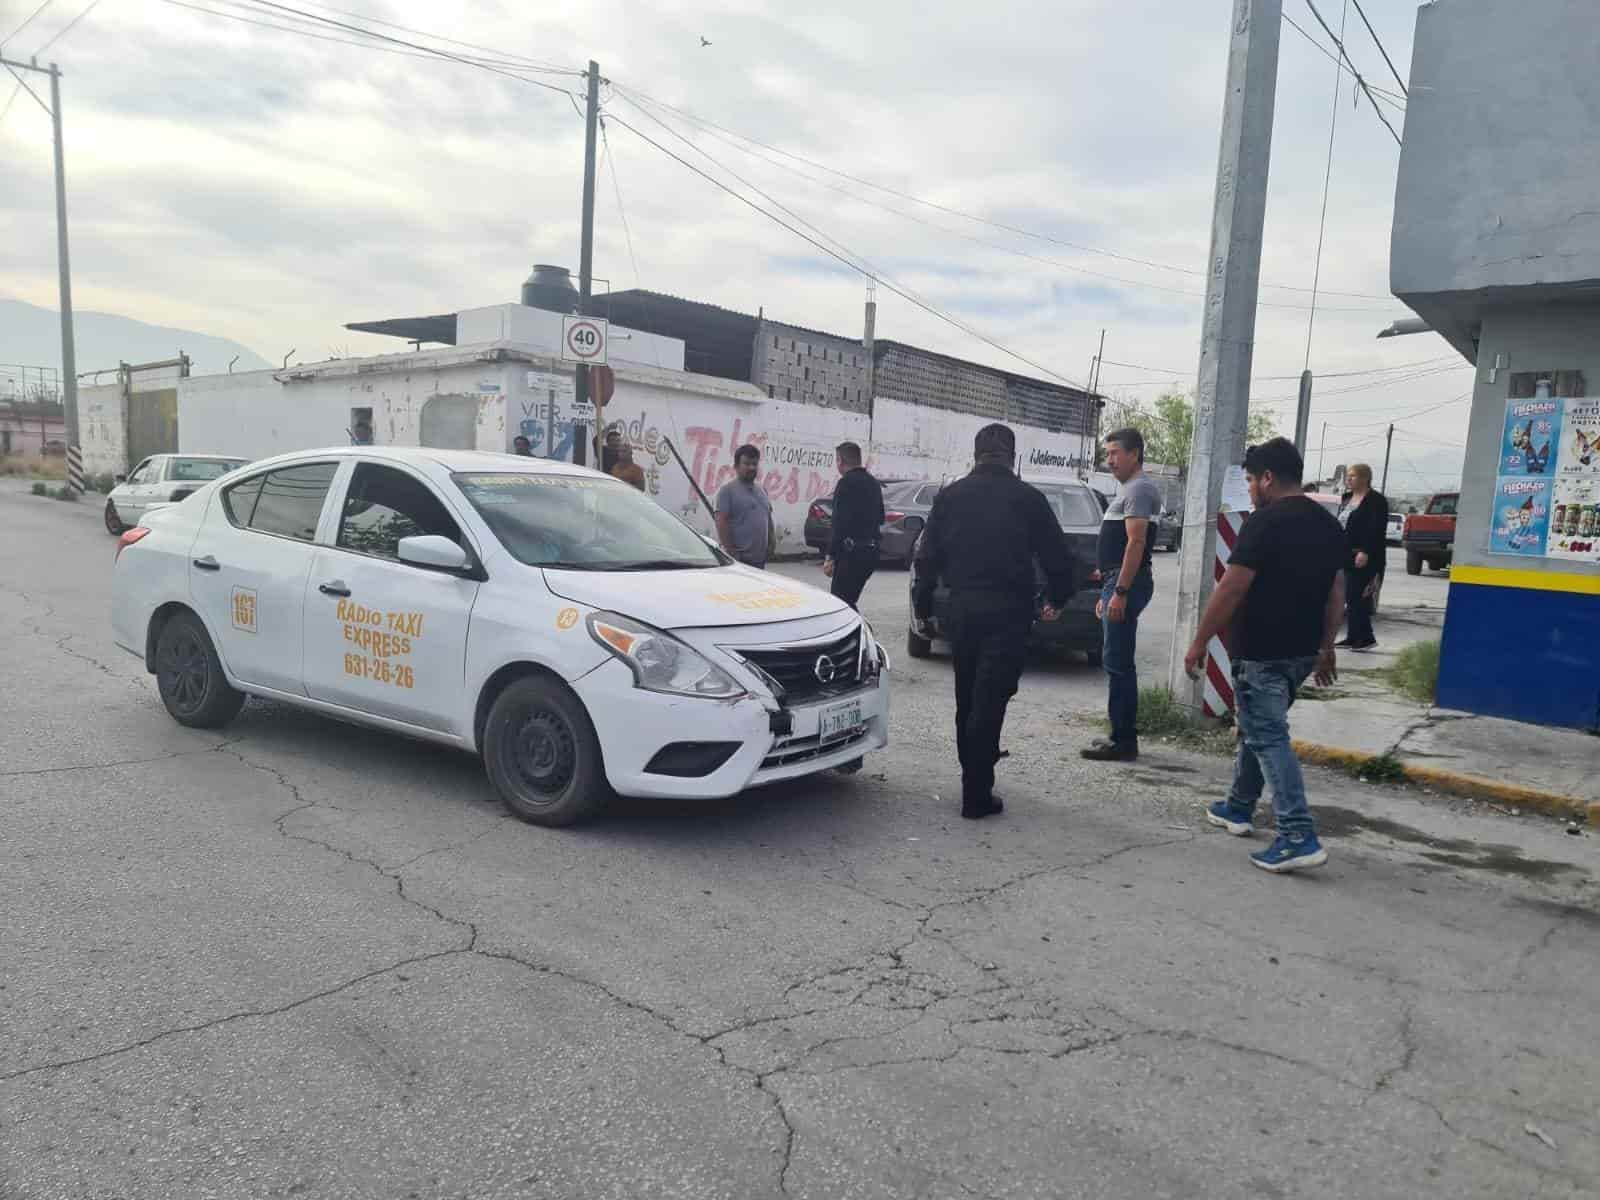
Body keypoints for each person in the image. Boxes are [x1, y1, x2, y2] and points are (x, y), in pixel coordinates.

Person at [1183, 437, 1346, 874]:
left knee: (1268, 735)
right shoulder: (1329, 525)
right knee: (1259, 729)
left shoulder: (1264, 523)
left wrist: (1200, 641)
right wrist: (1326, 647)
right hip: (1300, 654)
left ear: (1269, 478)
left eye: (1253, 480)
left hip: (1261, 652)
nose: (1251, 488)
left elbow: (1232, 587)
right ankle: (1238, 806)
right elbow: (1336, 593)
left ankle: (1297, 833)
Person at [912, 424, 1073, 820]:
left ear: (976, 454)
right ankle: (976, 793)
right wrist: (1057, 597)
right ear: (1012, 456)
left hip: (963, 609)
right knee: (991, 699)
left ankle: (974, 778)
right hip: (1008, 612)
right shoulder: (1028, 498)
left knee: (967, 697)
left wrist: (923, 605)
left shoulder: (950, 496)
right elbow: (1058, 557)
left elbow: (926, 556)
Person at [1081, 428, 1162, 763]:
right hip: (1116, 581)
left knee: (1118, 664)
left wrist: (1121, 591)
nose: (1109, 460)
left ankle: (1124, 741)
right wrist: (1109, 589)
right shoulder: (1131, 489)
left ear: (1135, 454)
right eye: (1108, 453)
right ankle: (1120, 734)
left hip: (1127, 582)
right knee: (1115, 661)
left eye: (1115, 453)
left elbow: (1136, 543)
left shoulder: (1140, 489)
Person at [822, 441, 884, 609]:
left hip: (851, 554)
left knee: (840, 604)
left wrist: (830, 556)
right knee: (848, 601)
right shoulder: (874, 484)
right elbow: (881, 517)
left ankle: (860, 633)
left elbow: (839, 523)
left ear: (840, 461)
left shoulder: (845, 483)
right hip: (870, 553)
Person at [1337, 463, 1388, 651]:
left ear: (1365, 478)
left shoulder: (1376, 501)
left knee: (1358, 595)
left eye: (1353, 476)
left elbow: (1376, 529)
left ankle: (1366, 638)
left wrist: (1365, 551)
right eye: (1348, 476)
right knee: (1348, 595)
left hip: (1365, 555)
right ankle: (1352, 636)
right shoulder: (1346, 498)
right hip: (1345, 553)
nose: (1348, 479)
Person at [715, 444, 775, 568]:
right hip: (740, 561)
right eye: (747, 464)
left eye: (754, 464)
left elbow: (768, 517)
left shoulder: (762, 490)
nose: (752, 467)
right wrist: (732, 553)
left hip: (760, 560)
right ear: (736, 466)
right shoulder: (727, 491)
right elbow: (721, 523)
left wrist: (772, 543)